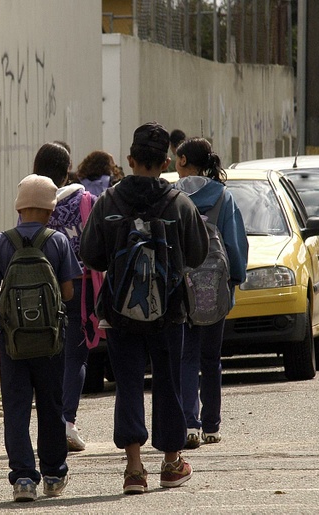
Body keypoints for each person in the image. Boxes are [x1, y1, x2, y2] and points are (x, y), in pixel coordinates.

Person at [80, 122, 209, 494]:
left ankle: (134, 469)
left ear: (131, 160)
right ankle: (171, 462)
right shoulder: (179, 203)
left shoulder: (108, 202)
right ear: (166, 162)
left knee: (128, 385)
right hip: (169, 311)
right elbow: (198, 254)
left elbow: (91, 255)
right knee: (168, 382)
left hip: (119, 312)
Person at [0, 174, 81, 502]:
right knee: (51, 405)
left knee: (16, 408)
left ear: (18, 207)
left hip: (12, 340)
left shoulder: (0, 242)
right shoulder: (58, 241)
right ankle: (53, 474)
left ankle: (23, 478)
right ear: (50, 210)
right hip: (51, 341)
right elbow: (68, 292)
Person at [173, 137, 248, 449]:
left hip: (182, 287)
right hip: (215, 287)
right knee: (211, 356)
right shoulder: (222, 196)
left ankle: (190, 423)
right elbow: (235, 242)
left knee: (186, 355)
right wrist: (235, 278)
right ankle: (212, 426)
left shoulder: (173, 196)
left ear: (184, 161)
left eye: (177, 159)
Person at [32, 142, 99, 452]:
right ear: (68, 169)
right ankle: (67, 422)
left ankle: (49, 423)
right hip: (81, 287)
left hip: (42, 288)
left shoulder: (32, 202)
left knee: (46, 357)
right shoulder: (87, 201)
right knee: (76, 356)